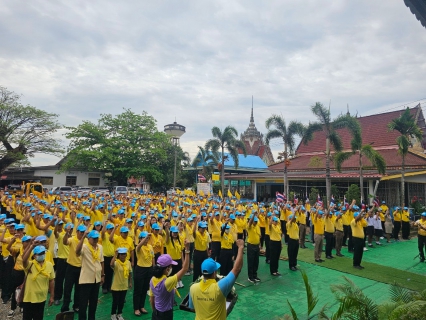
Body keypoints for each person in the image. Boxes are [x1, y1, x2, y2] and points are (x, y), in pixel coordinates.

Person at [188, 239, 245, 320]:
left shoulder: (193, 288)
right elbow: (237, 269)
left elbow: (192, 308)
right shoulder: (219, 288)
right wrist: (241, 247)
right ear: (214, 273)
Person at [149, 241, 190, 320]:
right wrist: (187, 249)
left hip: (156, 313)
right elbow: (185, 268)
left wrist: (155, 312)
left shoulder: (152, 279)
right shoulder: (167, 282)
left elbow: (151, 299)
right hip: (166, 315)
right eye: (171, 266)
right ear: (167, 268)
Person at [76, 229, 104, 320]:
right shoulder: (84, 247)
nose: (95, 240)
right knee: (83, 303)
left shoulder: (100, 247)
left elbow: (101, 261)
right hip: (86, 279)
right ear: (89, 239)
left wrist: (103, 275)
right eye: (93, 238)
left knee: (93, 302)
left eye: (97, 238)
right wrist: (83, 237)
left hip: (96, 278)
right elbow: (77, 252)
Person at [22, 244, 55, 320]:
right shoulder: (30, 265)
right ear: (34, 256)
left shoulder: (49, 265)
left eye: (43, 253)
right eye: (39, 254)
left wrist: (52, 296)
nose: (42, 255)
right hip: (30, 298)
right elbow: (24, 260)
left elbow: (51, 281)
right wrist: (31, 246)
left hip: (42, 298)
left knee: (38, 317)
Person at [133, 231, 154, 316]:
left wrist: (153, 268)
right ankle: (136, 308)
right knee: (138, 290)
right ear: (140, 239)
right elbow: (138, 246)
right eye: (144, 238)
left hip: (149, 269)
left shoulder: (150, 247)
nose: (146, 240)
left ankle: (141, 306)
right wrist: (146, 237)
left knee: (145, 289)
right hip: (140, 270)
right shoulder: (139, 247)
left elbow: (153, 258)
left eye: (148, 238)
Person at [110, 247, 132, 320]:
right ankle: (113, 314)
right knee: (115, 301)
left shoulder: (128, 262)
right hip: (116, 286)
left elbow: (130, 273)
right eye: (121, 254)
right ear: (119, 255)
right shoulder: (116, 262)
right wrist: (115, 255)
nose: (123, 256)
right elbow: (111, 264)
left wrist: (130, 282)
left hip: (124, 285)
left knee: (121, 301)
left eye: (124, 254)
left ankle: (119, 314)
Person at [246, 213, 261, 283]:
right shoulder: (249, 226)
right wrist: (253, 216)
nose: (256, 222)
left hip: (256, 245)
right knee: (251, 261)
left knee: (256, 261)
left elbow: (259, 236)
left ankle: (255, 275)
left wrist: (260, 244)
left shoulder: (257, 226)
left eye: (256, 221)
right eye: (255, 221)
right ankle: (250, 276)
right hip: (251, 245)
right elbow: (250, 222)